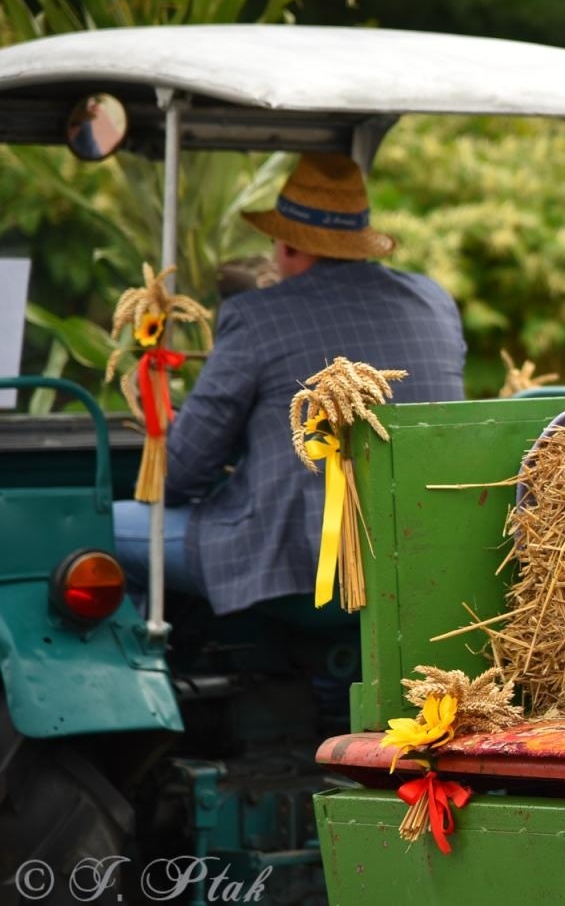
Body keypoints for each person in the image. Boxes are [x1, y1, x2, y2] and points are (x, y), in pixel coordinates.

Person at [112, 153, 466, 616]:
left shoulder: (256, 315)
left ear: (291, 248)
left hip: (296, 558)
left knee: (99, 529)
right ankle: (322, 683)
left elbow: (179, 475)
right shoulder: (434, 300)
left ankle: (151, 669)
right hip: (423, 547)